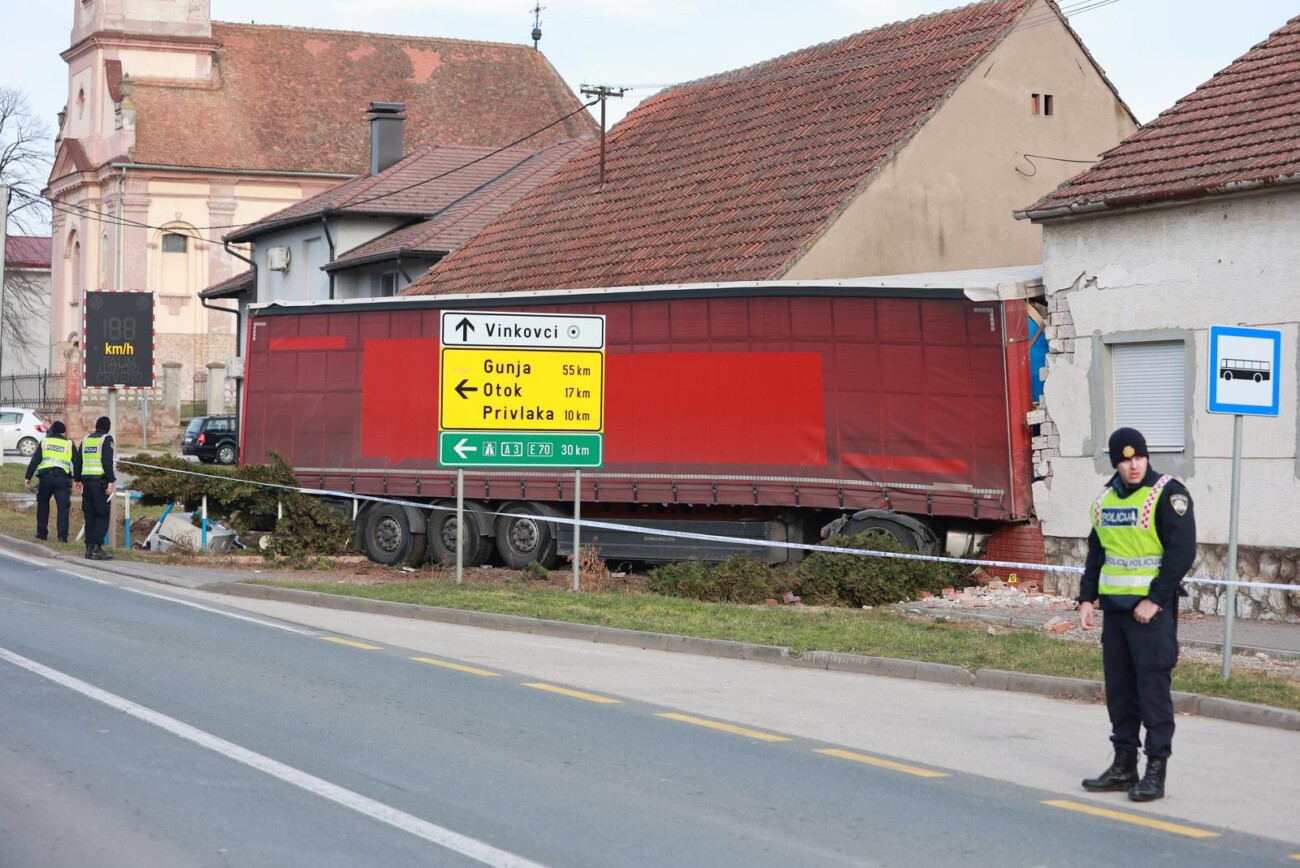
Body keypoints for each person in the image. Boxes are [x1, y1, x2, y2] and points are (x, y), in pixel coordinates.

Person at [1078, 427, 1196, 802]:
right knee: (1121, 694)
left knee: (1152, 694)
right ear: (1115, 462)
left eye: (1139, 457)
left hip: (1150, 616)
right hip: (1114, 614)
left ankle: (1155, 772)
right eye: (1126, 459)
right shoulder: (1104, 501)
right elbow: (1098, 555)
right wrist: (1086, 598)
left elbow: (1182, 553)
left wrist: (1156, 599)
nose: (1134, 465)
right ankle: (1123, 766)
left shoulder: (1168, 494)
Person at [23, 420, 76, 544]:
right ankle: (62, 537)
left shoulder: (45, 442)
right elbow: (77, 462)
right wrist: (78, 479)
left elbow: (35, 461)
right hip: (62, 480)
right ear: (63, 432)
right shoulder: (69, 444)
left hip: (46, 479)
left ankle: (42, 534)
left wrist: (28, 477)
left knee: (43, 505)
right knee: (63, 508)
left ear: (52, 430)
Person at [75, 415, 116, 561]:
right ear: (108, 427)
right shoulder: (106, 439)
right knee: (102, 514)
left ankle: (88, 548)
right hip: (100, 483)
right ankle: (96, 548)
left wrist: (77, 479)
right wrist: (111, 481)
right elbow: (107, 462)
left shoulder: (86, 439)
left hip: (86, 483)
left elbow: (78, 460)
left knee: (90, 515)